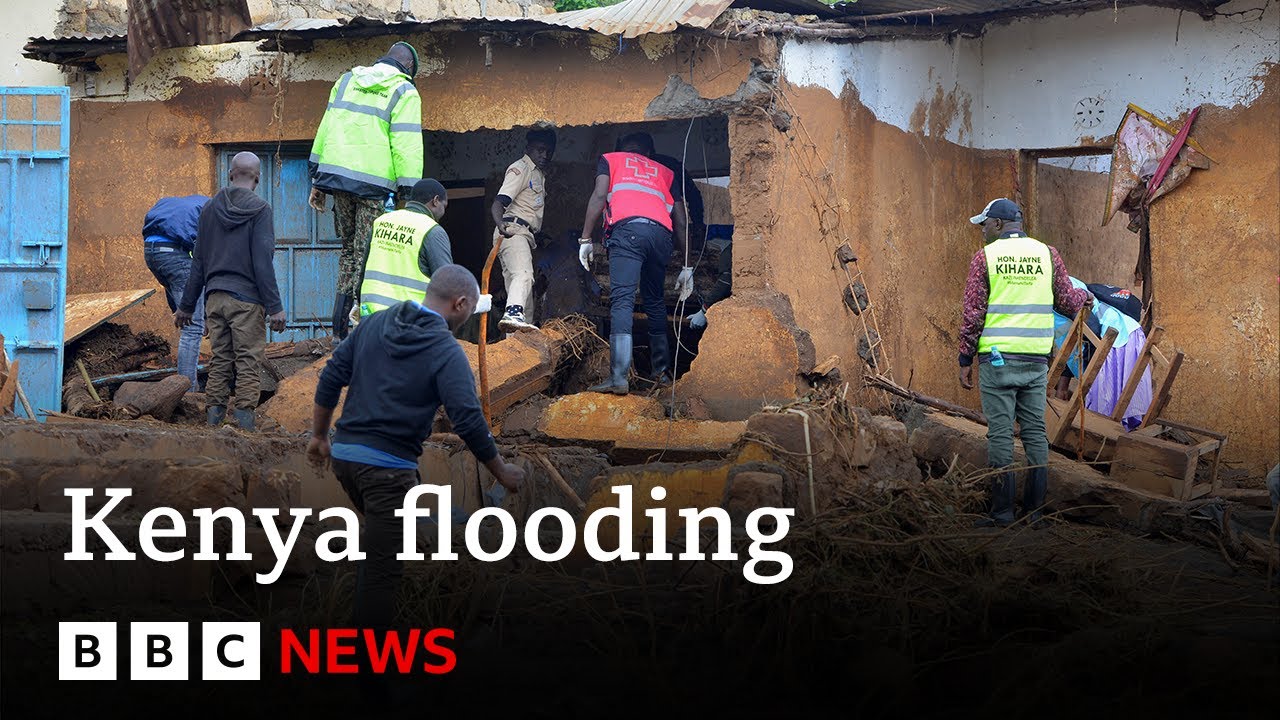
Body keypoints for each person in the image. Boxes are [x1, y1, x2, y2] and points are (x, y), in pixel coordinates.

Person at [307, 264, 525, 638]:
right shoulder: (445, 350)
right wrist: (502, 470)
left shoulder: (375, 324)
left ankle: (432, 531)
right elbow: (468, 419)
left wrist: (319, 437)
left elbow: (331, 377)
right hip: (387, 470)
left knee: (387, 534)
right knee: (382, 573)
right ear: (460, 304)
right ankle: (370, 678)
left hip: (345, 458)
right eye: (469, 313)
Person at [957, 198, 1090, 526]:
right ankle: (1034, 514)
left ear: (999, 224)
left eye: (985, 224)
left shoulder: (985, 257)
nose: (983, 230)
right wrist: (1084, 297)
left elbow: (973, 313)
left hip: (997, 361)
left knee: (1001, 434)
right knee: (1035, 434)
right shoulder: (1048, 254)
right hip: (1035, 363)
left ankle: (1002, 513)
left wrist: (964, 356)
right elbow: (1066, 299)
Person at [308, 41, 424, 340]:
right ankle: (361, 329)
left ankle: (338, 331)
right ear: (409, 69)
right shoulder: (404, 90)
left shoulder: (346, 80)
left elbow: (325, 128)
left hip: (335, 178)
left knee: (348, 250)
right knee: (368, 254)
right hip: (373, 185)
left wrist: (316, 179)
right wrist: (408, 194)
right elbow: (406, 144)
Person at [176, 152, 286, 431]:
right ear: (257, 178)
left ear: (230, 174)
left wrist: (187, 305)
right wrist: (275, 306)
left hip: (215, 299)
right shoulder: (261, 210)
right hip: (247, 301)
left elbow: (198, 261)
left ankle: (214, 423)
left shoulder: (209, 209)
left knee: (221, 359)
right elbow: (263, 261)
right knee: (248, 361)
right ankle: (245, 427)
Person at [578, 131, 691, 394]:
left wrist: (585, 238)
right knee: (654, 300)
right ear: (648, 153)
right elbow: (682, 221)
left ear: (623, 149)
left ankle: (618, 377)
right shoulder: (665, 172)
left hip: (628, 233)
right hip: (661, 237)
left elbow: (598, 196)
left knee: (623, 300)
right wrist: (687, 266)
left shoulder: (611, 159)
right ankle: (661, 373)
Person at [354, 178, 490, 321]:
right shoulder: (431, 230)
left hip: (371, 316)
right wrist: (475, 304)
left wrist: (358, 303)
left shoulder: (381, 222)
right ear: (436, 200)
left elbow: (363, 272)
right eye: (444, 206)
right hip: (409, 322)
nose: (443, 213)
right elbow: (449, 284)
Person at [142, 194, 209, 392]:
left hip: (152, 252)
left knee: (182, 302)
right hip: (174, 254)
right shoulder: (214, 210)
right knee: (192, 328)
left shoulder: (187, 203)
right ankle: (187, 391)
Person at [492, 128, 555, 332]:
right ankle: (512, 312)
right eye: (540, 150)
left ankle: (517, 345)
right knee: (524, 275)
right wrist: (501, 224)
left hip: (525, 233)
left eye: (548, 151)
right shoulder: (520, 168)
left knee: (525, 301)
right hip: (513, 230)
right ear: (528, 148)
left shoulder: (538, 174)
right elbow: (498, 203)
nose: (544, 155)